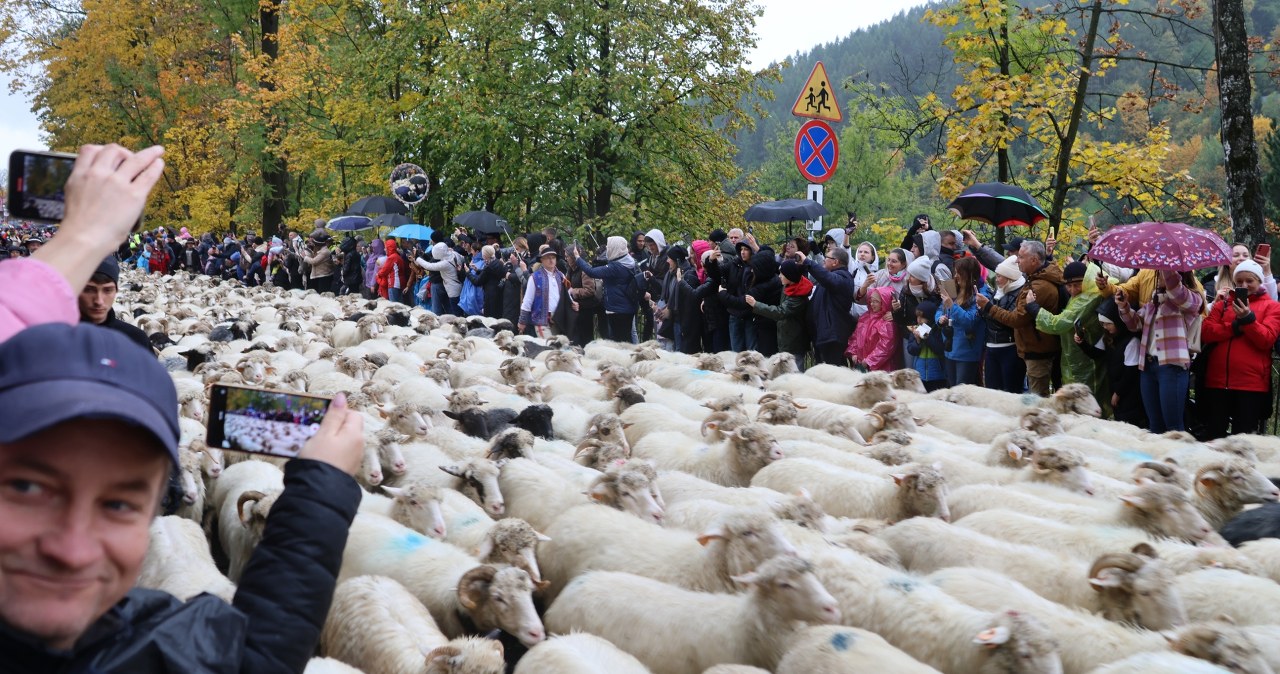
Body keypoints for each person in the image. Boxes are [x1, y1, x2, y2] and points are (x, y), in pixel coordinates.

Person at [0, 322, 364, 673]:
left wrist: (321, 482)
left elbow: (254, 652)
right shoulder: (143, 643)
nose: (72, 552)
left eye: (120, 504)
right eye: (27, 487)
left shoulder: (137, 645)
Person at [1199, 260, 1280, 438]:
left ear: (1259, 281)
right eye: (1240, 281)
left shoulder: (1272, 306)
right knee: (1214, 438)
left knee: (1243, 442)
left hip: (1250, 386)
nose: (1244, 285)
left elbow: (1266, 339)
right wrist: (1235, 327)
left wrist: (1248, 319)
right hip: (1217, 382)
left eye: (1249, 281)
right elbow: (1206, 332)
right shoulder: (1223, 304)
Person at [1118, 269, 1204, 433]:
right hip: (1148, 367)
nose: (1158, 277)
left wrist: (1168, 270)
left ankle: (1178, 458)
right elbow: (1135, 324)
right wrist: (1124, 307)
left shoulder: (1192, 299)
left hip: (1172, 368)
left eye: (1162, 273)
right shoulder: (1154, 301)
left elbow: (1178, 293)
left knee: (1173, 429)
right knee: (1155, 426)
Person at [977, 239, 1062, 396]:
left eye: (1021, 257)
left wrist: (988, 307)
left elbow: (1017, 319)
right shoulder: (1034, 279)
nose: (1017, 259)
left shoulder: (1039, 286)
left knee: (1037, 401)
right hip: (1031, 349)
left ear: (1034, 260)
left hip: (1038, 351)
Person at [1030, 261, 1109, 414]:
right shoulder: (1084, 293)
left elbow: (1059, 324)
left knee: (1086, 405)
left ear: (1086, 281)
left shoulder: (1089, 298)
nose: (1072, 290)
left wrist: (1034, 308)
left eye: (1077, 285)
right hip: (1075, 359)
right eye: (1069, 286)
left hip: (1087, 362)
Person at [1076, 297, 1146, 427]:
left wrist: (1118, 393)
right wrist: (1082, 343)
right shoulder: (1108, 337)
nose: (1105, 327)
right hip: (1115, 388)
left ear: (1119, 322)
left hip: (1130, 392)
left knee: (1130, 422)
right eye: (1102, 324)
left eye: (1108, 324)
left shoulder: (1132, 342)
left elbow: (1130, 373)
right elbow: (1096, 354)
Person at [571, 236, 640, 343]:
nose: (608, 249)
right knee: (625, 339)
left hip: (618, 310)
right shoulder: (628, 261)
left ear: (615, 248)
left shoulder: (616, 267)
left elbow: (592, 272)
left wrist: (578, 257)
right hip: (626, 308)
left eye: (609, 246)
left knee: (621, 343)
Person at [748, 259, 812, 370]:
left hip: (794, 342)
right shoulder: (788, 286)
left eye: (782, 274)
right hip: (786, 338)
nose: (779, 276)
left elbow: (780, 312)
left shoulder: (798, 296)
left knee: (795, 373)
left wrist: (756, 305)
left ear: (790, 276)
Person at [77, 255, 150, 352]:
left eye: (107, 290)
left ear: (116, 291)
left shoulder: (136, 340)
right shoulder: (58, 340)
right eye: (89, 290)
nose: (99, 301)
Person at [801, 246, 857, 366]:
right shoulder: (831, 278)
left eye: (826, 258)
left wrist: (807, 262)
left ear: (835, 262)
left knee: (833, 373)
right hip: (823, 334)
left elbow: (827, 278)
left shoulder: (843, 277)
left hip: (832, 336)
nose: (823, 260)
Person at [981, 256, 1027, 393]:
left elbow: (1010, 320)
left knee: (1011, 391)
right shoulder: (999, 291)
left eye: (1000, 276)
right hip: (991, 346)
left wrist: (988, 308)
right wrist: (984, 310)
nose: (997, 279)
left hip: (1010, 348)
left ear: (1009, 277)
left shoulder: (1019, 293)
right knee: (991, 391)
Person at [937, 256, 986, 386]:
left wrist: (952, 305)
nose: (956, 275)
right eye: (955, 272)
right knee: (952, 390)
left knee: (961, 391)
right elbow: (940, 309)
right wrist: (939, 319)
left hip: (967, 351)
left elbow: (969, 321)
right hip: (950, 347)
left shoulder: (980, 294)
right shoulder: (954, 290)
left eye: (959, 272)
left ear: (969, 274)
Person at [519, 245, 575, 337]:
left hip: (559, 317)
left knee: (559, 349)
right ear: (542, 260)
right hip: (541, 319)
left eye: (553, 257)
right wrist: (522, 320)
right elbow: (528, 300)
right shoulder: (535, 277)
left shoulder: (561, 276)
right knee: (547, 347)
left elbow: (567, 293)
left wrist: (573, 303)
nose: (551, 260)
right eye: (548, 258)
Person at [846, 286, 898, 371]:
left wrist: (869, 361)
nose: (872, 304)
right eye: (871, 301)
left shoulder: (887, 323)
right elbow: (856, 337)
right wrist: (853, 352)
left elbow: (885, 348)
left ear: (884, 302)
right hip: (862, 365)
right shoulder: (865, 318)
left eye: (876, 301)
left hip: (881, 369)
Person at [907, 299, 947, 391]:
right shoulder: (916, 329)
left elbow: (940, 349)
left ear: (930, 317)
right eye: (917, 317)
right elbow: (910, 350)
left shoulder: (937, 330)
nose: (919, 320)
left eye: (922, 317)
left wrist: (927, 338)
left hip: (937, 376)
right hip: (920, 375)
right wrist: (917, 341)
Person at [565, 243, 599, 347]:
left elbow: (589, 290)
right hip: (576, 309)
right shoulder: (571, 269)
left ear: (573, 256)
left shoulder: (584, 269)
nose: (566, 259)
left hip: (585, 310)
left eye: (567, 256)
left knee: (585, 338)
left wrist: (573, 291)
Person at [303, 230, 336, 294]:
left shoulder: (324, 252)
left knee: (323, 294)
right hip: (318, 275)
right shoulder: (319, 250)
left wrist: (305, 257)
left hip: (324, 276)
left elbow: (314, 261)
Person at [377, 238, 408, 303]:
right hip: (400, 283)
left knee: (394, 305)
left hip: (393, 283)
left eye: (386, 247)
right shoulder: (398, 256)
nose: (384, 249)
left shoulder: (391, 257)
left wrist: (378, 274)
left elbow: (384, 271)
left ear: (389, 248)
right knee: (400, 304)